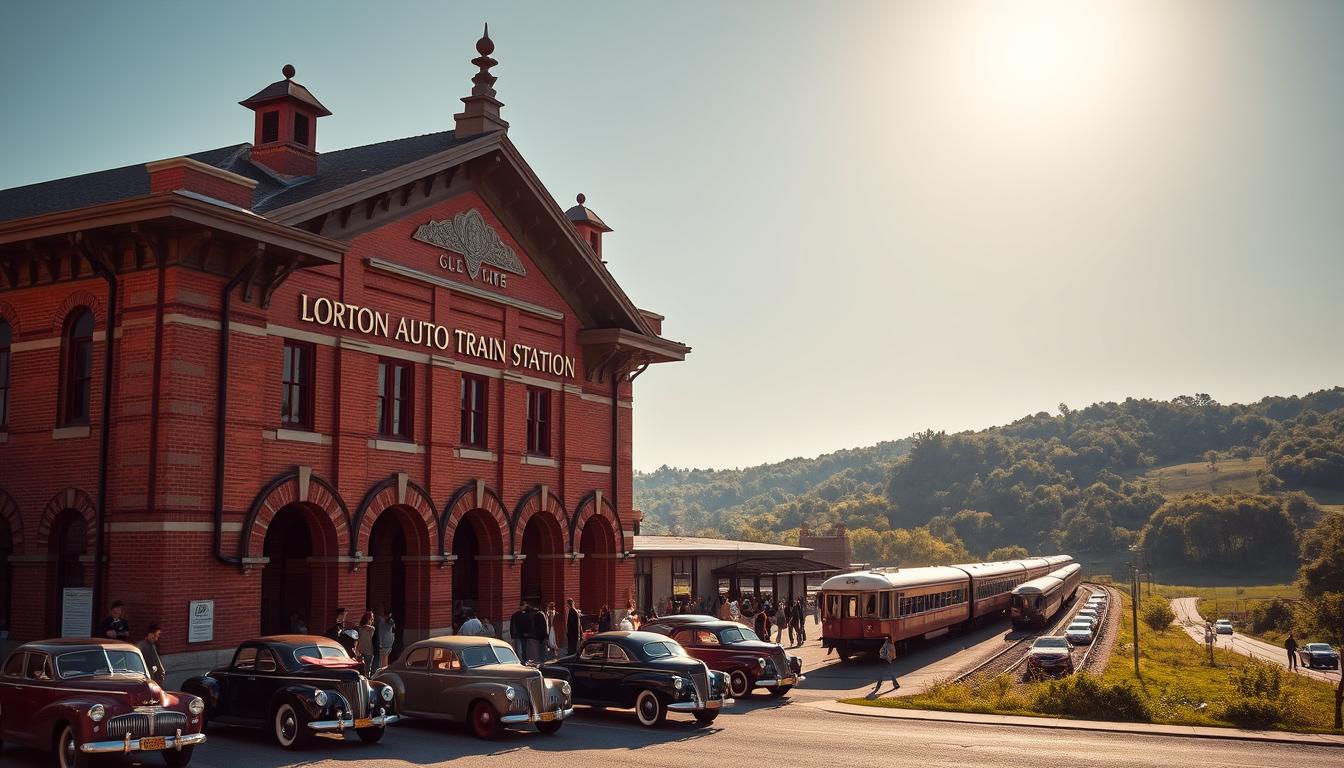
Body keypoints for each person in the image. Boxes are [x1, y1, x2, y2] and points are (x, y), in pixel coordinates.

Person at [375, 606, 396, 673]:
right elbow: (393, 625)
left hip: (385, 642)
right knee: (384, 657)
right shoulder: (386, 621)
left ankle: (383, 670)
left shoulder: (384, 621)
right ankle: (383, 670)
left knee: (383, 658)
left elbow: (392, 625)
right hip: (387, 642)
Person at [357, 611, 376, 675]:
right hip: (361, 650)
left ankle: (367, 679)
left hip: (369, 650)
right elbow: (358, 639)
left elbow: (368, 627)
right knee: (360, 667)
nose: (372, 619)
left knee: (368, 668)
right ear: (367, 618)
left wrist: (364, 626)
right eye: (371, 618)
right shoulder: (360, 628)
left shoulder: (372, 628)